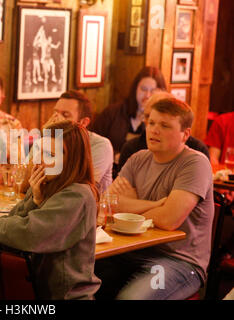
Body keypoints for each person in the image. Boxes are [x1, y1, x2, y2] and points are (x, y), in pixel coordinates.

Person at [0, 120, 101, 299]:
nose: (39, 159)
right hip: (34, 292)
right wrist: (35, 201)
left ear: (71, 160)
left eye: (49, 154)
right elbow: (13, 219)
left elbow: (27, 232)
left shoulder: (78, 195)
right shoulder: (48, 184)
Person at [95, 98, 214, 300]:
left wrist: (129, 205)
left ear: (185, 134)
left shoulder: (195, 163)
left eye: (165, 125)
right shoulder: (138, 158)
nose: (154, 130)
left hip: (178, 260)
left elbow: (169, 220)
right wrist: (155, 205)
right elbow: (107, 208)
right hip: (128, 250)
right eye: (151, 123)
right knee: (75, 284)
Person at [91, 66, 167, 174]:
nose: (147, 95)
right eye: (143, 89)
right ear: (135, 88)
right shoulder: (112, 113)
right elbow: (93, 143)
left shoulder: (164, 122)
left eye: (152, 91)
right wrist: (113, 156)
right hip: (110, 171)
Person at [34, 90, 113, 194]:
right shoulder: (48, 139)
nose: (56, 119)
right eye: (55, 113)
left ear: (83, 123)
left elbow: (77, 190)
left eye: (65, 115)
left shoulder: (100, 145)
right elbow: (25, 183)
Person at [118, 91, 210, 170]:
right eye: (149, 119)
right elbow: (117, 189)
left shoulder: (198, 152)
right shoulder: (132, 151)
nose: (153, 129)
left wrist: (133, 191)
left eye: (164, 125)